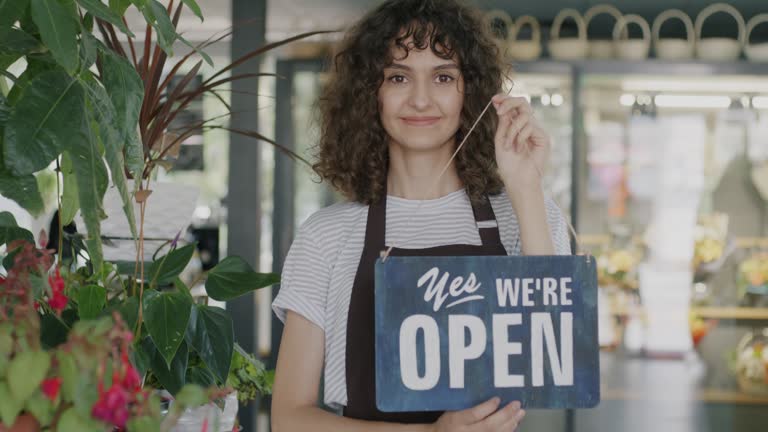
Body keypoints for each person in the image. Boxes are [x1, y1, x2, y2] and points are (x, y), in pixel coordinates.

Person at [271, 0, 571, 430]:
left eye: (444, 76)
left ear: (473, 93)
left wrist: (526, 187)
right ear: (368, 92)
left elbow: (555, 354)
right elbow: (289, 418)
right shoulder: (327, 236)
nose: (421, 98)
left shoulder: (525, 214)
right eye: (398, 76)